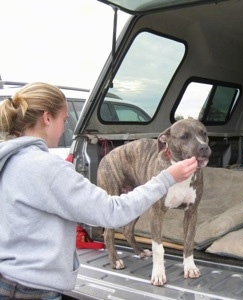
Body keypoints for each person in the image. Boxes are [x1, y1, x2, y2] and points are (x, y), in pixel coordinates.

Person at [0, 82, 199, 299]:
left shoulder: (8, 161)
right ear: (47, 118)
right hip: (33, 290)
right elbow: (111, 212)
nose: (65, 128)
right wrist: (167, 178)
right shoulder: (48, 169)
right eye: (64, 120)